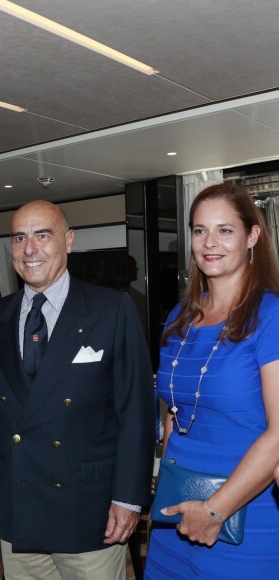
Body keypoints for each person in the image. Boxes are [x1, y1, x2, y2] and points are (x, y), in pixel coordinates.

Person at [0, 200, 155, 580]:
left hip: (88, 509)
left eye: (43, 235)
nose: (30, 249)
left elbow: (136, 413)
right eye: (20, 237)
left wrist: (128, 498)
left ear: (69, 241)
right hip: (19, 503)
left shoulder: (111, 309)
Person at [144, 183, 279, 578]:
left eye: (225, 230)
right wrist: (161, 501)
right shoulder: (178, 318)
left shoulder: (271, 316)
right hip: (177, 510)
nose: (209, 242)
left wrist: (216, 509)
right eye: (200, 230)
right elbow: (173, 415)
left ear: (252, 235)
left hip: (244, 514)